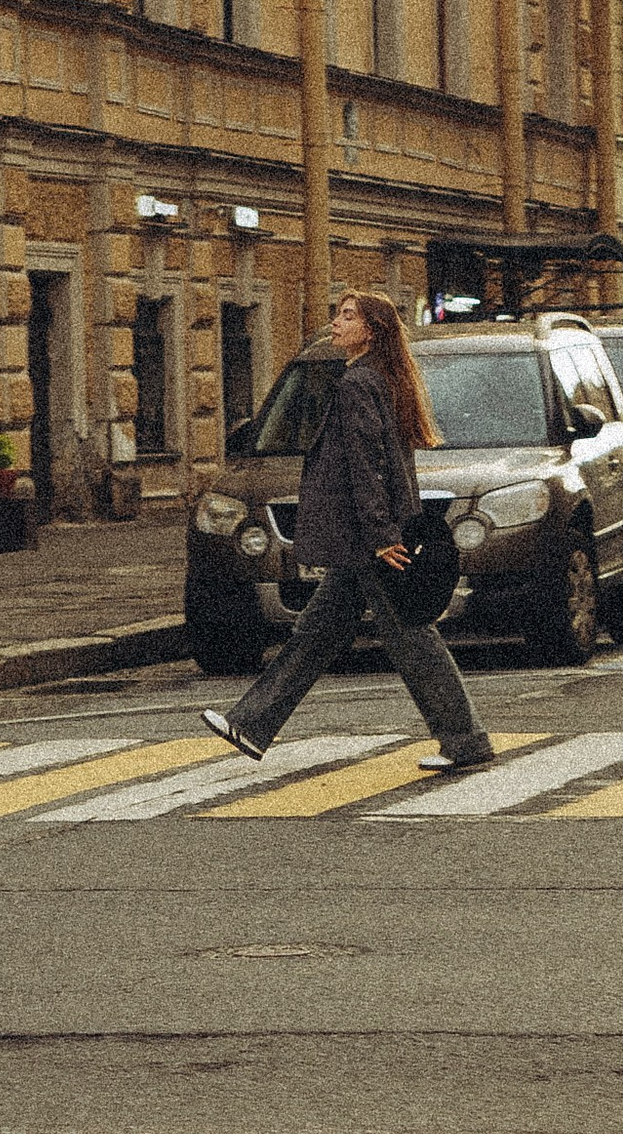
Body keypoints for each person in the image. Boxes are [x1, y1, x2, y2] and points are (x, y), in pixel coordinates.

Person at [202, 289, 494, 774]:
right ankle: (251, 725)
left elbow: (369, 464)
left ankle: (464, 740)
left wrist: (382, 534)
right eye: (337, 313)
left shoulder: (359, 382)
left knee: (412, 637)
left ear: (371, 330)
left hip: (369, 539)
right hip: (370, 536)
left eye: (348, 316)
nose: (336, 322)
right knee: (315, 634)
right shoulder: (381, 377)